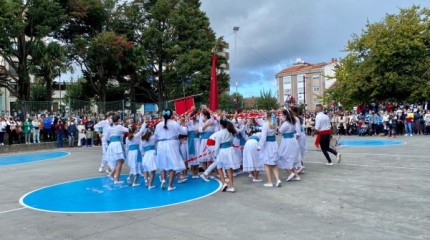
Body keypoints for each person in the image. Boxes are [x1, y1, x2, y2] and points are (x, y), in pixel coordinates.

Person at [154, 109, 187, 191]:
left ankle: (163, 180)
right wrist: (183, 124)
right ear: (171, 115)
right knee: (172, 164)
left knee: (163, 164)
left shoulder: (158, 125)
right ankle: (170, 185)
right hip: (172, 144)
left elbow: (156, 136)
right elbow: (183, 132)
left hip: (161, 144)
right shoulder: (174, 123)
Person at [212, 118, 240, 192]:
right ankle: (231, 186)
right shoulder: (230, 131)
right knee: (229, 169)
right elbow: (237, 131)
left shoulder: (219, 133)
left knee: (219, 167)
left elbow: (217, 146)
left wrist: (215, 154)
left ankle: (224, 183)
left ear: (221, 125)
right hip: (230, 150)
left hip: (222, 151)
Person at [257, 111, 282, 187]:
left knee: (267, 163)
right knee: (273, 163)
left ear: (267, 116)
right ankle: (278, 179)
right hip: (273, 143)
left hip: (268, 145)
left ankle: (270, 182)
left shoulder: (266, 124)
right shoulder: (274, 123)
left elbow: (263, 137)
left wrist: (259, 146)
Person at [278, 109, 302, 181]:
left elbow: (280, 131)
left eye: (282, 115)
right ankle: (297, 176)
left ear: (285, 115)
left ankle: (290, 173)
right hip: (292, 140)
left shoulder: (286, 123)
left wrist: (279, 126)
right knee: (291, 158)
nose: (281, 116)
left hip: (287, 141)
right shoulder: (293, 122)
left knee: (282, 156)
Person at [105, 114, 129, 184]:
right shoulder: (119, 126)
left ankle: (112, 174)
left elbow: (106, 137)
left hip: (112, 144)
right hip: (117, 144)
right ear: (118, 120)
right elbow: (128, 130)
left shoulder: (110, 127)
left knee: (120, 161)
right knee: (120, 161)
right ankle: (116, 179)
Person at [125, 123, 147, 187]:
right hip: (136, 153)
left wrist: (127, 155)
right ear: (134, 130)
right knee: (137, 166)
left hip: (130, 153)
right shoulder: (136, 135)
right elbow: (142, 130)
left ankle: (129, 177)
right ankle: (134, 182)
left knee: (133, 166)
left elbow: (127, 147)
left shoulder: (127, 138)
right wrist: (144, 123)